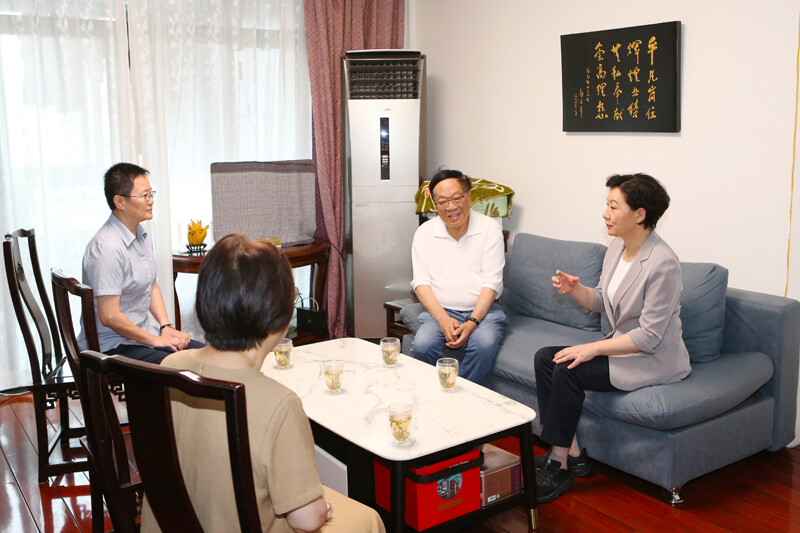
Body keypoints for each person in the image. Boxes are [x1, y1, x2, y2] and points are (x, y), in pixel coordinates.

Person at [140, 233, 385, 533]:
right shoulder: (278, 403)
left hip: (173, 524)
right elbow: (306, 520)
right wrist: (321, 505)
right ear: (279, 319)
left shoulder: (170, 366)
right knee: (368, 519)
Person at [533, 173, 690, 503]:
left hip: (651, 358)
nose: (605, 213)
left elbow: (649, 336)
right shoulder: (617, 247)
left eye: (614, 206)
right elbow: (602, 300)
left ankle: (558, 463)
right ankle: (574, 454)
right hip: (623, 347)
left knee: (569, 369)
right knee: (547, 358)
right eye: (607, 205)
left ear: (640, 214)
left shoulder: (663, 263)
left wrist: (591, 348)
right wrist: (576, 289)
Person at [78, 162, 203, 363]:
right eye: (145, 196)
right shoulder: (107, 248)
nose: (151, 201)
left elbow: (150, 284)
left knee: (208, 355)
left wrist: (165, 327)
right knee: (187, 366)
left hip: (140, 336)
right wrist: (155, 340)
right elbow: (109, 316)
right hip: (113, 347)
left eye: (151, 194)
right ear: (119, 201)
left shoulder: (141, 235)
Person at [410, 169, 508, 383]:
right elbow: (421, 284)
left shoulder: (489, 228)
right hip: (441, 310)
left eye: (457, 198)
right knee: (423, 345)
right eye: (443, 201)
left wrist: (472, 322)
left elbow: (492, 282)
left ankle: (460, 393)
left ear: (469, 196)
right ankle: (431, 391)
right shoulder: (424, 233)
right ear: (435, 204)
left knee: (484, 344)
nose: (451, 207)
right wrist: (443, 320)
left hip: (484, 311)